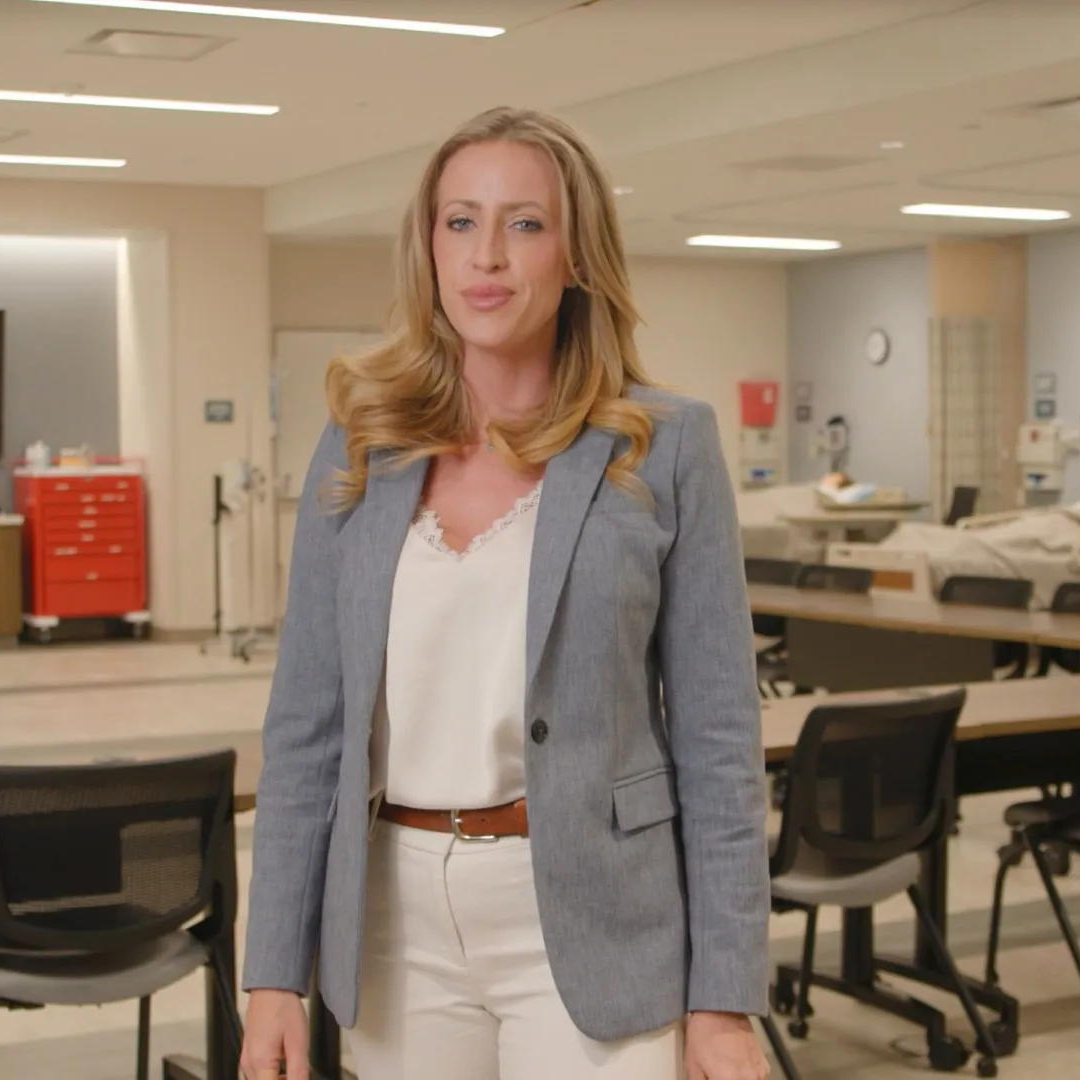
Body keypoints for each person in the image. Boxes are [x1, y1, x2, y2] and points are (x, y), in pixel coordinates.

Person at [241, 105, 771, 1080]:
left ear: (576, 254)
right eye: (460, 222)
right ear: (428, 247)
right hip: (394, 919)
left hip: (592, 908)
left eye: (524, 223)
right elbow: (308, 729)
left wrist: (724, 997)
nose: (487, 255)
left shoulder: (663, 445)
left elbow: (719, 740)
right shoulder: (361, 442)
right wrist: (273, 972)